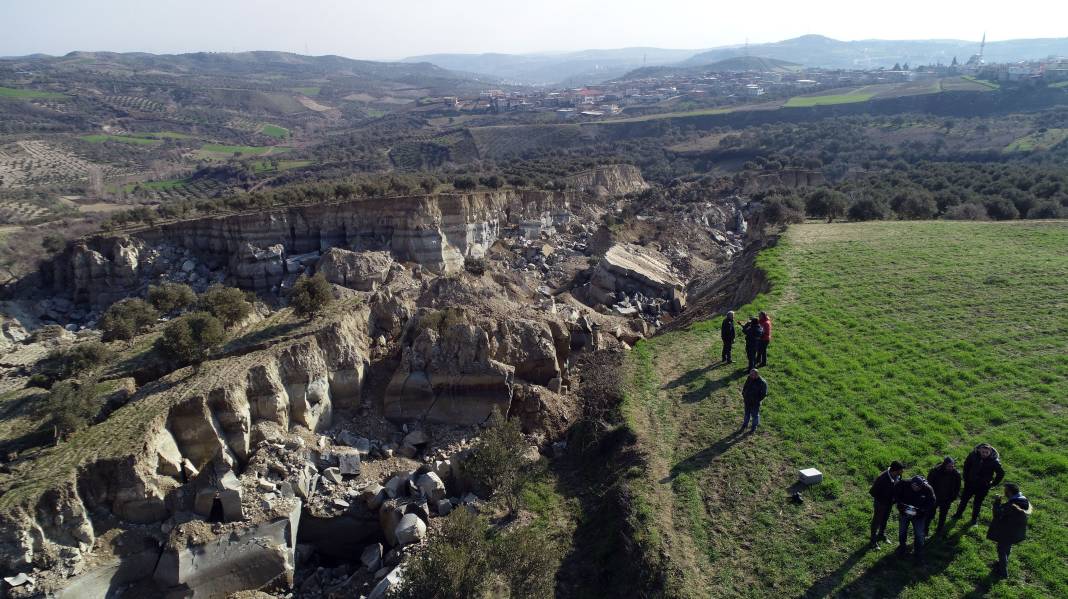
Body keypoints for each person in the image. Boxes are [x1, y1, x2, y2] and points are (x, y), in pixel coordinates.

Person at [986, 483, 1032, 578]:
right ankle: (1001, 564)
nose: (1004, 492)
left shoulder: (1012, 505)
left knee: (1001, 550)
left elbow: (997, 513)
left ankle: (1003, 573)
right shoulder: (1023, 500)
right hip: (1016, 531)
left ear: (1009, 492)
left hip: (1007, 531)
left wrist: (997, 501)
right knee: (1007, 548)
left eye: (1005, 491)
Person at [953, 443, 1005, 526]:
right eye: (983, 452)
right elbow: (966, 465)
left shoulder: (994, 461)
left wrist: (993, 484)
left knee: (977, 503)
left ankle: (974, 519)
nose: (984, 454)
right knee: (964, 500)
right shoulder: (973, 455)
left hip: (983, 486)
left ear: (990, 452)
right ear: (979, 450)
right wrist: (966, 478)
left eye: (986, 453)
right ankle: (957, 515)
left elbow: (1001, 473)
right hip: (970, 483)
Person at [893, 475, 937, 563]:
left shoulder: (928, 489)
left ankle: (918, 553)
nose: (916, 488)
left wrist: (922, 510)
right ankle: (902, 547)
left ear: (922, 485)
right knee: (902, 531)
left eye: (918, 487)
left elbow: (932, 502)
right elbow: (895, 493)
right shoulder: (904, 484)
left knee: (919, 534)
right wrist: (900, 505)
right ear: (911, 483)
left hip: (919, 516)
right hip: (904, 513)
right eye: (914, 486)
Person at [869, 461, 905, 547]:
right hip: (880, 503)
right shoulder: (882, 478)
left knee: (885, 519)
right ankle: (873, 540)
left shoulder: (898, 476)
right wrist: (884, 498)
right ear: (895, 471)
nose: (902, 472)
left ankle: (881, 534)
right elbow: (873, 492)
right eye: (901, 470)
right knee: (876, 521)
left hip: (889, 503)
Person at [927, 456, 962, 536]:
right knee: (930, 514)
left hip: (947, 499)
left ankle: (939, 530)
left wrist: (953, 497)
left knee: (943, 516)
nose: (951, 468)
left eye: (952, 466)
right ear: (944, 465)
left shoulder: (956, 474)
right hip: (935, 498)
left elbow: (957, 487)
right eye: (949, 466)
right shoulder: (935, 471)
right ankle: (925, 529)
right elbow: (929, 484)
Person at [740, 368, 767, 434]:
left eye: (752, 375)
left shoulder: (762, 382)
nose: (750, 376)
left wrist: (756, 400)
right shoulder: (749, 378)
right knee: (747, 414)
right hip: (747, 400)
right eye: (750, 374)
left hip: (755, 403)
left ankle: (754, 427)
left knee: (755, 415)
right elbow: (745, 386)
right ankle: (745, 425)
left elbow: (763, 394)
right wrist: (744, 393)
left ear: (757, 375)